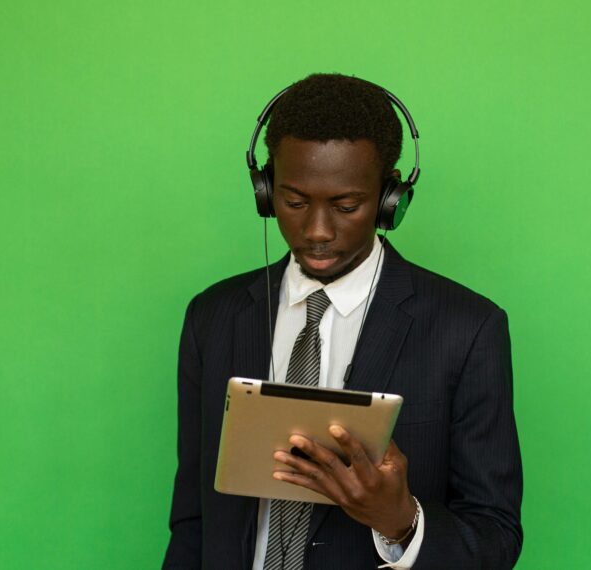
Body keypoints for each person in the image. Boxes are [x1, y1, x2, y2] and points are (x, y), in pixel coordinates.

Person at [162, 73, 522, 570]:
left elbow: (495, 538)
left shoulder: (468, 329)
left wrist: (400, 522)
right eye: (293, 201)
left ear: (390, 197)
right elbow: (193, 520)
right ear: (264, 190)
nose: (316, 231)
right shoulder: (214, 315)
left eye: (346, 206)